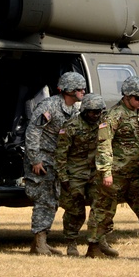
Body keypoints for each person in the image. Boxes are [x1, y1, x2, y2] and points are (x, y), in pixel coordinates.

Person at [87, 76, 139, 261]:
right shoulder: (113, 115)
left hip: (136, 174)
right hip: (115, 174)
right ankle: (93, 248)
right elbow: (103, 143)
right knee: (103, 211)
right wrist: (106, 172)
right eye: (137, 98)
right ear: (126, 96)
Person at [24, 71, 87, 255]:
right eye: (79, 88)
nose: (83, 91)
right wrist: (35, 160)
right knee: (44, 201)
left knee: (53, 201)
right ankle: (40, 242)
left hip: (58, 162)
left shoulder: (76, 110)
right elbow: (33, 133)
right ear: (68, 90)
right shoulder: (49, 106)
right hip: (42, 161)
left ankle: (39, 243)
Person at [54, 93, 106, 256]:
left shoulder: (103, 125)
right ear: (84, 111)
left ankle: (98, 241)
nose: (95, 115)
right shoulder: (71, 126)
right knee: (75, 210)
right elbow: (61, 154)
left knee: (100, 206)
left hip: (95, 173)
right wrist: (63, 178)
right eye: (92, 112)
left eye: (98, 112)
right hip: (74, 173)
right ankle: (71, 243)